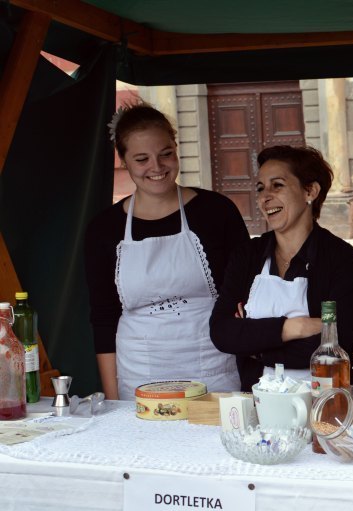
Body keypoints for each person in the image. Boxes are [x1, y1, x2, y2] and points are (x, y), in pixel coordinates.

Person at [84, 102, 250, 400]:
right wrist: (113, 401)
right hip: (139, 372)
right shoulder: (104, 229)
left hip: (213, 365)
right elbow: (104, 317)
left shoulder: (217, 211)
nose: (157, 167)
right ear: (123, 160)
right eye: (141, 159)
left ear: (176, 148)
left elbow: (246, 296)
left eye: (165, 154)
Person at [209, 145, 353, 391]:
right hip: (258, 400)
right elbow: (222, 332)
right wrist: (294, 327)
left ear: (310, 191)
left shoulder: (340, 257)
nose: (264, 197)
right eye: (260, 188)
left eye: (277, 185)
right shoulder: (247, 255)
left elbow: (339, 343)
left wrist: (256, 348)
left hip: (325, 400)